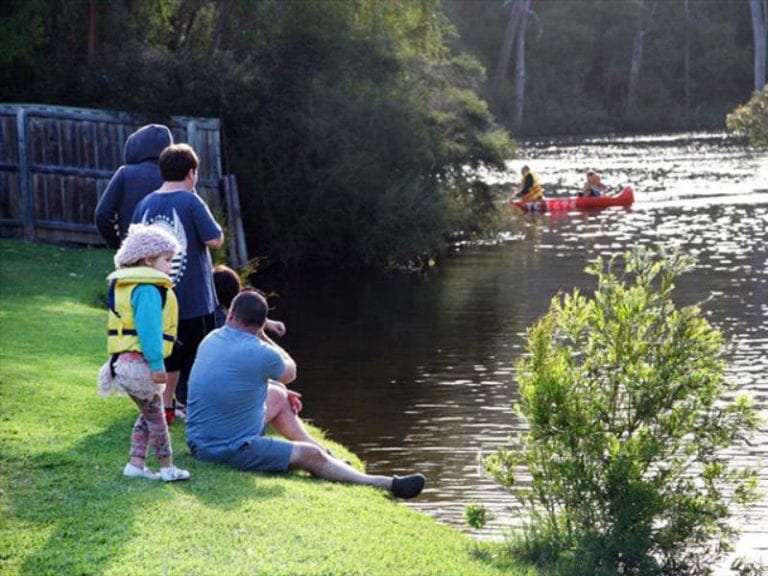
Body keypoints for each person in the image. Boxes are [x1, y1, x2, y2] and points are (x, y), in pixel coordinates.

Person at [185, 290, 426, 499]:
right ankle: (384, 483)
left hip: (198, 440)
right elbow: (290, 370)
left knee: (278, 394)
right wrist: (264, 336)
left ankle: (326, 453)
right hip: (228, 449)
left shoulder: (211, 338)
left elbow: (241, 375)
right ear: (260, 325)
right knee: (308, 455)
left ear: (230, 315)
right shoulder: (261, 352)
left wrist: (279, 387)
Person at [132, 143, 224, 425]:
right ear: (191, 173)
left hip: (156, 297)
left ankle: (166, 406)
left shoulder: (144, 203)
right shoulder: (191, 201)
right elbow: (215, 239)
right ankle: (193, 406)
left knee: (167, 352)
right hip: (194, 299)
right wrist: (194, 195)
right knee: (197, 357)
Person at [97, 223, 190, 482]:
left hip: (123, 362)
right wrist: (158, 364)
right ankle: (167, 467)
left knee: (149, 413)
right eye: (167, 260)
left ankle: (135, 465)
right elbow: (149, 331)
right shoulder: (148, 288)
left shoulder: (133, 284)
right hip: (137, 365)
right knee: (157, 416)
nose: (170, 266)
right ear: (148, 259)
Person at [95, 124, 174, 249]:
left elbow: (102, 214)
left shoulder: (125, 174)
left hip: (134, 250)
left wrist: (118, 244)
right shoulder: (177, 174)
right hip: (169, 253)